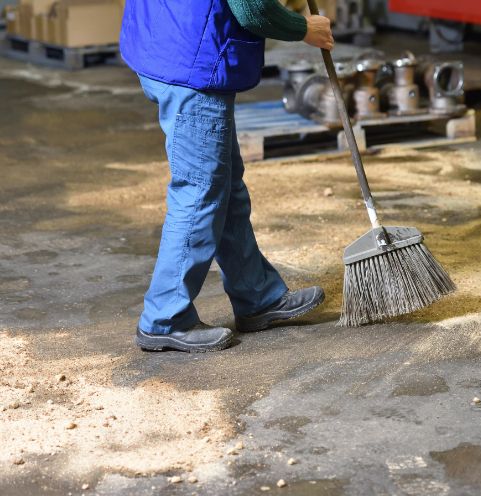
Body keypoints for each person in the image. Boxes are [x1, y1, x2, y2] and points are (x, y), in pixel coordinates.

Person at [119, 0, 333, 352]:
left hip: (163, 43)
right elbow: (252, 10)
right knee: (200, 192)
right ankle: (165, 318)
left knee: (225, 185)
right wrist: (304, 29)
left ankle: (257, 296)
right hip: (194, 63)